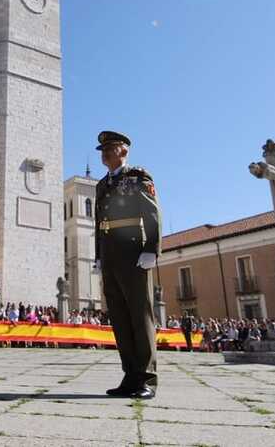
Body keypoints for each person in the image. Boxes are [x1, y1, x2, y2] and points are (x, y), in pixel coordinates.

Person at [94, 131, 162, 399]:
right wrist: (99, 255)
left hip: (133, 250)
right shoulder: (101, 185)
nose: (104, 153)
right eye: (102, 150)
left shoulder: (138, 176)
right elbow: (100, 223)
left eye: (109, 148)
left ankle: (147, 378)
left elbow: (153, 213)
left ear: (123, 150)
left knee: (139, 315)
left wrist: (151, 249)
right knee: (120, 317)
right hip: (110, 253)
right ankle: (130, 375)